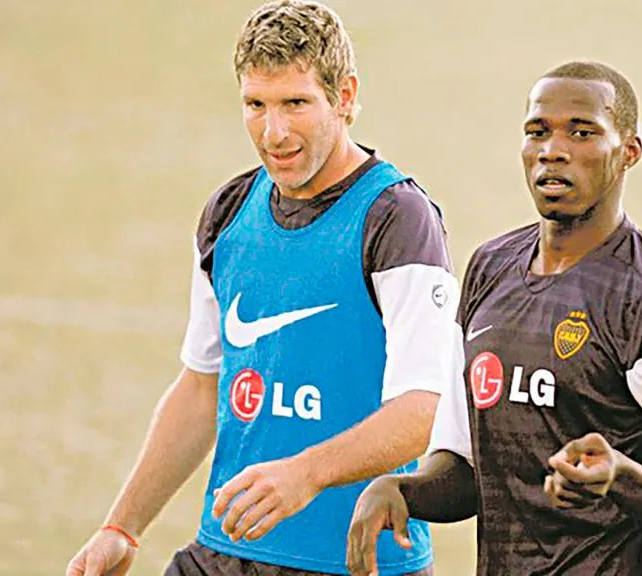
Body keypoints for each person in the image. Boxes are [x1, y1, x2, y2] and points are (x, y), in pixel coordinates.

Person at [65, 2, 458, 575]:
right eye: (256, 105)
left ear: (345, 97)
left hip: (354, 563)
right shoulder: (228, 214)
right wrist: (121, 526)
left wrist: (306, 473)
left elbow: (424, 409)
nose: (273, 133)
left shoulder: (397, 219)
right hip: (224, 552)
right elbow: (201, 389)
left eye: (295, 103)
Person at [346, 60, 642, 575]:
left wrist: (621, 476)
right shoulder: (490, 269)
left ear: (629, 152)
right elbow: (466, 473)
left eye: (582, 133)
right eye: (538, 131)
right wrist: (400, 489)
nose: (553, 149)